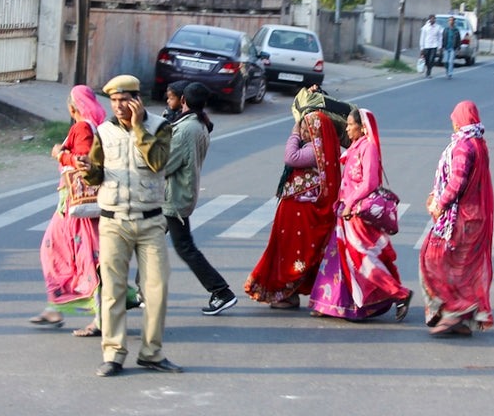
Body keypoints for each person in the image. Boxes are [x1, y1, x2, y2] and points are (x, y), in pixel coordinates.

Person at [79, 74, 180, 377]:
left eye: (125, 100)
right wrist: (88, 170)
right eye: (114, 101)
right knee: (113, 291)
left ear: (137, 100)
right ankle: (113, 354)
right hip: (113, 222)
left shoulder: (160, 127)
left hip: (150, 222)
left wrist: (138, 128)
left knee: (157, 290)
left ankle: (151, 353)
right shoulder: (103, 131)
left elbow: (158, 163)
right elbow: (98, 173)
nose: (119, 106)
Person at [309, 108, 414, 321]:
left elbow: (370, 182)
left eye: (350, 124)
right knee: (339, 258)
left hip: (356, 213)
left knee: (361, 259)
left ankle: (400, 293)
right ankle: (332, 303)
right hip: (345, 211)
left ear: (362, 127)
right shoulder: (355, 146)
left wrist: (349, 203)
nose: (347, 128)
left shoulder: (369, 148)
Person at [30, 85, 108, 337]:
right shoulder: (94, 126)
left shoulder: (82, 127)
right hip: (70, 206)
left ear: (72, 107)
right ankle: (55, 307)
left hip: (77, 209)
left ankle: (99, 317)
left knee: (85, 259)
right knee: (63, 254)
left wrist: (59, 156)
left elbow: (83, 161)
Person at [244, 110, 341, 309]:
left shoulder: (316, 149)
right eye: (302, 129)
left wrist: (294, 134)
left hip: (302, 213)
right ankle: (290, 293)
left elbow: (291, 157)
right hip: (298, 211)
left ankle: (286, 293)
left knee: (292, 253)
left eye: (307, 130)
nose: (304, 133)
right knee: (288, 251)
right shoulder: (320, 147)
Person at [420, 101, 494, 337]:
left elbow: (457, 181)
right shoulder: (479, 142)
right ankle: (461, 320)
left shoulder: (464, 145)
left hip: (461, 218)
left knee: (434, 258)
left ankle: (453, 311)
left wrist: (440, 204)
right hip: (475, 216)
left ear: (460, 120)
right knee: (462, 267)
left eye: (454, 118)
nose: (452, 122)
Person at [163, 82, 237, 316]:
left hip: (174, 197)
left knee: (184, 247)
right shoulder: (197, 124)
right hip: (178, 195)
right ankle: (143, 291)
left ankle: (221, 291)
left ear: (183, 99)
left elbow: (164, 165)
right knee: (149, 243)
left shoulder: (186, 130)